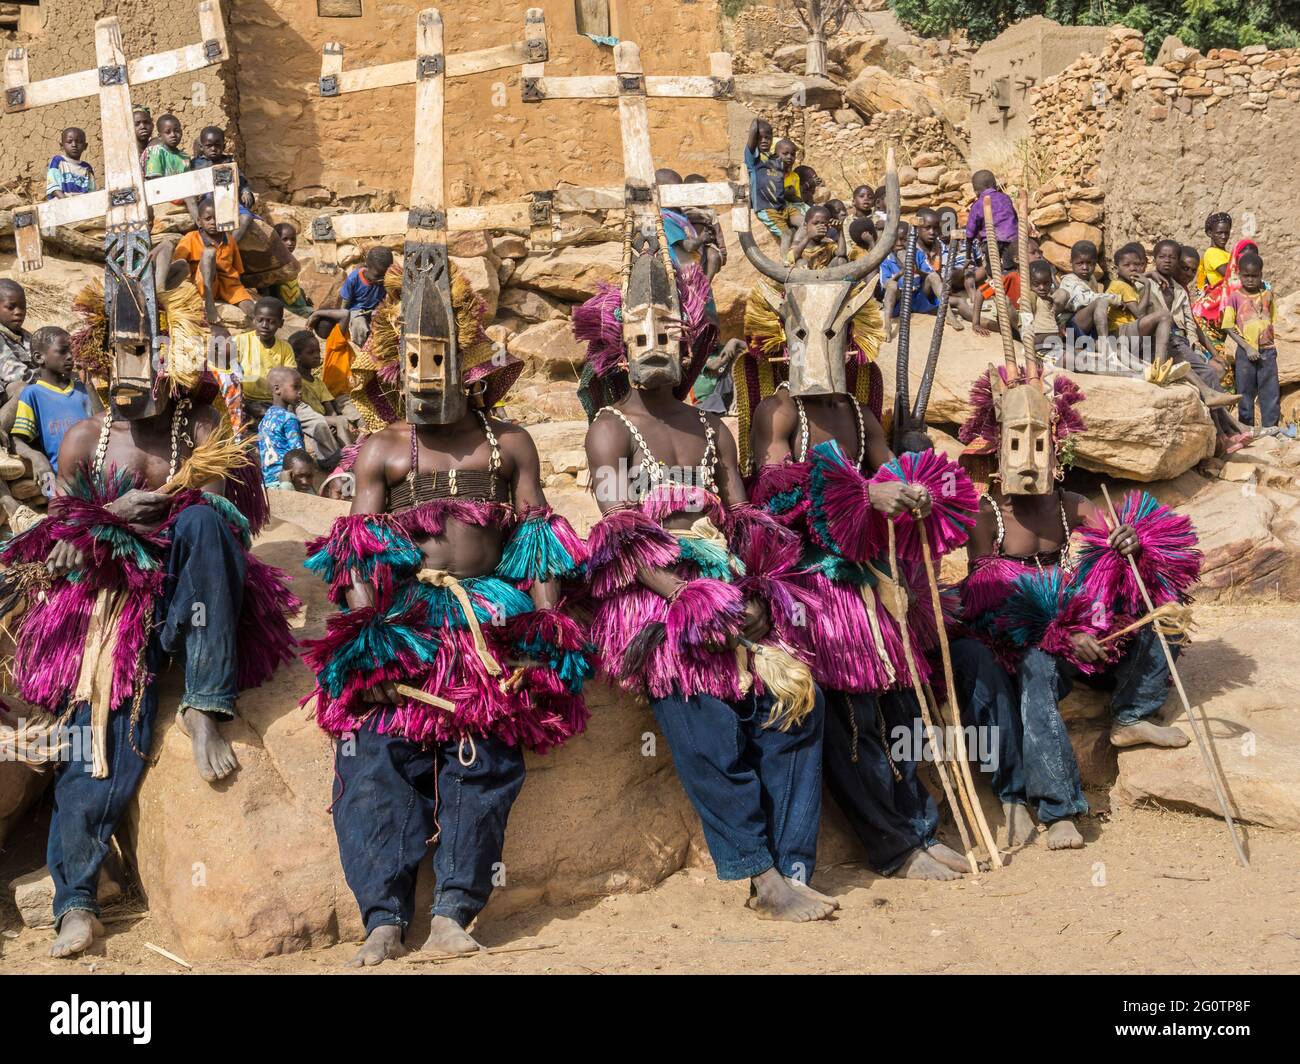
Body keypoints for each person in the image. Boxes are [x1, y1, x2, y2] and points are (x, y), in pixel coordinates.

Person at [302, 260, 591, 965]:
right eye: (411, 366)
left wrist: (543, 631)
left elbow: (535, 541)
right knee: (374, 755)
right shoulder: (383, 448)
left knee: (484, 753)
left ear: (468, 365)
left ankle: (456, 909)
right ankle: (383, 915)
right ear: (395, 369)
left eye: (440, 364)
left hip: (486, 619)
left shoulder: (508, 443)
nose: (424, 382)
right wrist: (371, 640)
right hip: (403, 621)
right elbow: (357, 553)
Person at [0, 280, 298, 958]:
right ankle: (75, 901)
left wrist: (163, 504)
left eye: (158, 358)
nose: (146, 374)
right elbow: (62, 546)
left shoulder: (199, 431)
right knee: (93, 746)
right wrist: (110, 519)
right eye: (130, 357)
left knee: (200, 521)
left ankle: (204, 702)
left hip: (194, 593)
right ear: (106, 362)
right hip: (114, 608)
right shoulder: (82, 440)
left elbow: (227, 529)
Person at [577, 230, 832, 922]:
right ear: (620, 351)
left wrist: (752, 596)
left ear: (688, 345)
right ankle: (758, 872)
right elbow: (620, 535)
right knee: (706, 724)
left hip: (731, 590)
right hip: (659, 602)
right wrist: (691, 596)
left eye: (667, 337)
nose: (654, 350)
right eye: (639, 339)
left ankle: (793, 866)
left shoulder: (714, 427)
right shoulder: (608, 430)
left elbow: (747, 519)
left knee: (797, 706)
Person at [741, 187, 977, 883]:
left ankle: (919, 826)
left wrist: (917, 494)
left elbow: (890, 477)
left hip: (872, 588)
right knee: (854, 721)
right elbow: (771, 507)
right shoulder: (780, 412)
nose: (817, 350)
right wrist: (862, 495)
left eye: (831, 335)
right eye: (804, 335)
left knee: (899, 705)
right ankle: (893, 845)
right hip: (813, 592)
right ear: (785, 335)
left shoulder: (858, 412)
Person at [951, 360, 1196, 851]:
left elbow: (1114, 536)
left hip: (1083, 632)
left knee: (1157, 612)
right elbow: (991, 590)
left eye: (1039, 442)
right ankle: (1060, 808)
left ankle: (1133, 713)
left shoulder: (1071, 504)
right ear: (997, 449)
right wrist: (1061, 632)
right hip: (1022, 638)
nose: (1028, 456)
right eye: (1016, 442)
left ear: (1057, 447)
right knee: (1038, 670)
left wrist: (1131, 541)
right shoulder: (986, 513)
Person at [9, 326, 89, 492]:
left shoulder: (82, 389)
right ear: (39, 357)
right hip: (61, 482)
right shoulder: (32, 394)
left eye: (72, 351)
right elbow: (17, 440)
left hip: (97, 477)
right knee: (59, 509)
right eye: (62, 351)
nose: (70, 357)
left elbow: (104, 423)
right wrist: (36, 457)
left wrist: (89, 383)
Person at [167, 196, 256, 325]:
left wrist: (242, 296)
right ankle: (210, 304)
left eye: (217, 218)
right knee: (209, 253)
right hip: (204, 286)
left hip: (228, 286)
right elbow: (176, 267)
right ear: (199, 221)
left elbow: (237, 270)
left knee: (250, 307)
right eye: (208, 219)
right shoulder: (191, 238)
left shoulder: (229, 240)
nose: (213, 222)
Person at [1222, 250, 1280, 432]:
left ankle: (1271, 429)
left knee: (1270, 390)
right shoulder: (1234, 298)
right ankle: (1246, 429)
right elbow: (1228, 326)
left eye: (1254, 276)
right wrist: (1247, 347)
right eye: (1246, 275)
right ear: (1239, 275)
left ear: (1261, 275)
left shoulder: (1268, 295)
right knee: (1245, 392)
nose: (1250, 280)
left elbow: (1271, 319)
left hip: (1267, 351)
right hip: (1246, 353)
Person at [287, 328, 352, 467]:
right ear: (297, 357)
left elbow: (330, 408)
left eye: (318, 351)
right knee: (338, 421)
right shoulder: (294, 380)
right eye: (311, 353)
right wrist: (333, 420)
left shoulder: (318, 382)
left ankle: (347, 454)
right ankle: (348, 457)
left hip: (324, 418)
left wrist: (332, 419)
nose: (317, 355)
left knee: (340, 420)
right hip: (309, 418)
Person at [1106, 242, 1172, 371]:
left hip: (1125, 333)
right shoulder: (1121, 286)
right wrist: (1147, 285)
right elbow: (1140, 314)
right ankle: (1161, 365)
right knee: (1164, 315)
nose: (1133, 268)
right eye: (1127, 265)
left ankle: (1159, 364)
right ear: (1116, 269)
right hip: (1119, 333)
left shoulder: (1129, 285)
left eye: (1136, 265)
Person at [879, 222, 945, 339]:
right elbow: (885, 283)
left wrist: (918, 271)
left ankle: (948, 313)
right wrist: (900, 273)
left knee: (934, 277)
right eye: (895, 240)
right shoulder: (886, 259)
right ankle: (888, 327)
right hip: (899, 300)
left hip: (918, 296)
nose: (899, 244)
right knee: (893, 286)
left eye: (903, 240)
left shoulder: (917, 254)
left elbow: (930, 273)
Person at [743, 119, 796, 239]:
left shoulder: (775, 159)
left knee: (805, 222)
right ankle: (787, 258)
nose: (764, 141)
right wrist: (756, 121)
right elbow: (752, 130)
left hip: (781, 206)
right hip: (765, 207)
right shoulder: (753, 160)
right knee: (787, 235)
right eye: (759, 138)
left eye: (767, 137)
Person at [257, 366, 306, 488]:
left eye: (301, 387)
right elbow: (298, 454)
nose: (300, 391)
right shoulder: (289, 419)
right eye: (295, 387)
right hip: (286, 480)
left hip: (267, 482)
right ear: (277, 389)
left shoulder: (263, 421)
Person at [964, 169, 1017, 262]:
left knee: (991, 268)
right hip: (1012, 239)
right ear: (995, 184)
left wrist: (968, 256)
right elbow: (1015, 218)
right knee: (1011, 265)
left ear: (976, 191)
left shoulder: (978, 205)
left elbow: (970, 233)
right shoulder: (1005, 198)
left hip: (991, 243)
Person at [264, 222, 312, 314]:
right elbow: (266, 290)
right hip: (288, 310)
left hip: (300, 308)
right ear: (276, 240)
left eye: (293, 239)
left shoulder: (291, 262)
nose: (290, 243)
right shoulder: (272, 264)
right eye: (284, 239)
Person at [45, 128, 96, 199]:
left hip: (83, 205)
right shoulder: (58, 161)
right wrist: (68, 203)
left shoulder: (87, 168)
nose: (74, 145)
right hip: (62, 203)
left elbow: (92, 193)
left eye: (78, 142)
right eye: (69, 141)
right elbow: (54, 188)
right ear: (61, 145)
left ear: (85, 146)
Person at [787, 203, 843, 268]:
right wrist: (809, 236)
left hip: (828, 275)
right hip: (806, 276)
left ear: (828, 227)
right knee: (801, 262)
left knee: (841, 259)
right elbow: (792, 257)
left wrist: (840, 231)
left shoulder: (828, 243)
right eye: (815, 223)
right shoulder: (799, 243)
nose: (819, 226)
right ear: (805, 225)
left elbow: (841, 253)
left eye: (824, 224)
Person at [143, 113, 191, 179]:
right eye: (168, 132)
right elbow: (155, 180)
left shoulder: (185, 157)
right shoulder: (157, 153)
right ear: (160, 136)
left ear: (181, 133)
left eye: (176, 131)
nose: (173, 135)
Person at [133, 106, 154, 171]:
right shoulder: (127, 155)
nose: (142, 126)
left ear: (152, 125)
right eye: (137, 124)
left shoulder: (159, 149)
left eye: (146, 122)